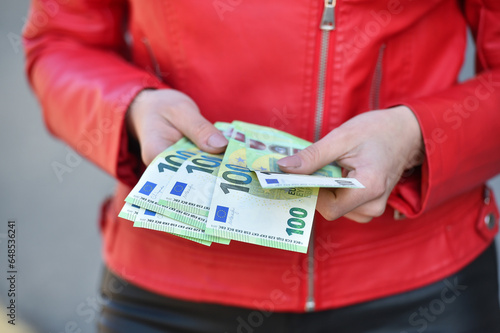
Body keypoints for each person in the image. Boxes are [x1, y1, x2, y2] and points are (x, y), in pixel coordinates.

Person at [24, 0, 500, 332]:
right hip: (171, 289)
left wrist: (418, 138)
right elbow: (60, 40)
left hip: (420, 288)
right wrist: (130, 107)